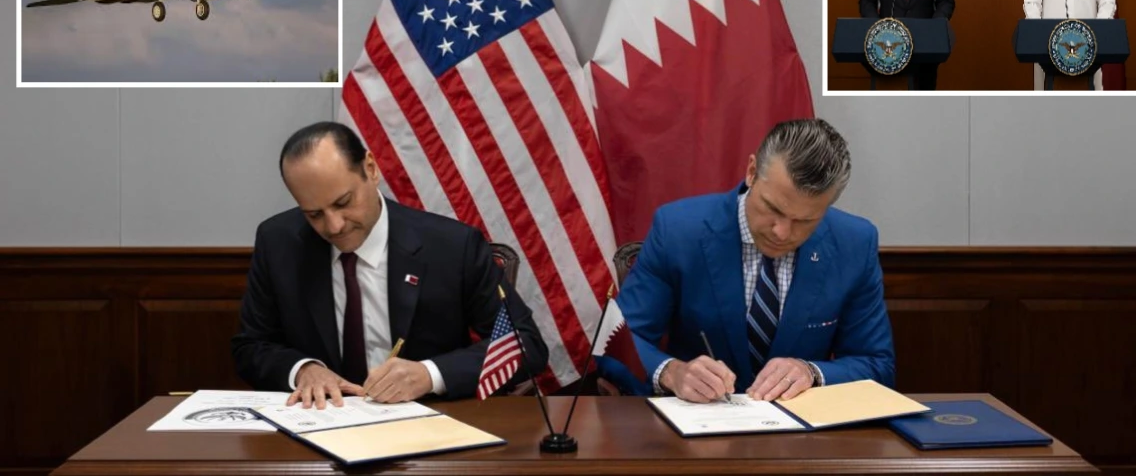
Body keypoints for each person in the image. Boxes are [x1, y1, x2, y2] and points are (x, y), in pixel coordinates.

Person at [232, 121, 547, 408]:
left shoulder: (452, 246)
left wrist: (429, 374)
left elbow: (526, 343)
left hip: (429, 426)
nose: (334, 226)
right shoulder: (279, 242)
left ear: (370, 168)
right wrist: (303, 370)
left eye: (343, 203)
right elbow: (251, 346)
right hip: (320, 426)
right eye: (313, 214)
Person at [616, 119, 894, 404]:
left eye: (805, 221)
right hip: (697, 428)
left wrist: (813, 372)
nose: (782, 232)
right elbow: (618, 343)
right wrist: (671, 373)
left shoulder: (854, 243)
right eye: (772, 208)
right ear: (752, 172)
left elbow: (877, 364)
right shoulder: (679, 230)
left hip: (802, 438)